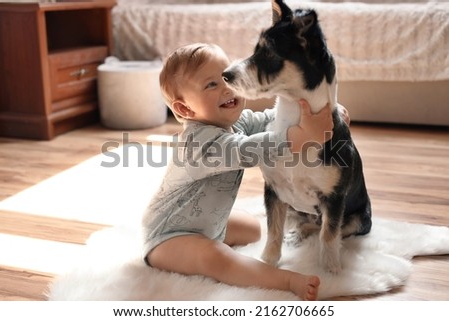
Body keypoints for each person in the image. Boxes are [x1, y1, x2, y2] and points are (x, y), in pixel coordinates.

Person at [142, 43, 343, 300]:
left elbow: (271, 119)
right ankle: (287, 280)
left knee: (253, 228)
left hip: (203, 224)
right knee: (215, 258)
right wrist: (301, 136)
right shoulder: (199, 143)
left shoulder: (235, 122)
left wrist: (320, 114)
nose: (227, 86)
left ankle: (209, 236)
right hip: (167, 235)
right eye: (211, 85)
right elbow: (247, 150)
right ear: (185, 109)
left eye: (226, 76)